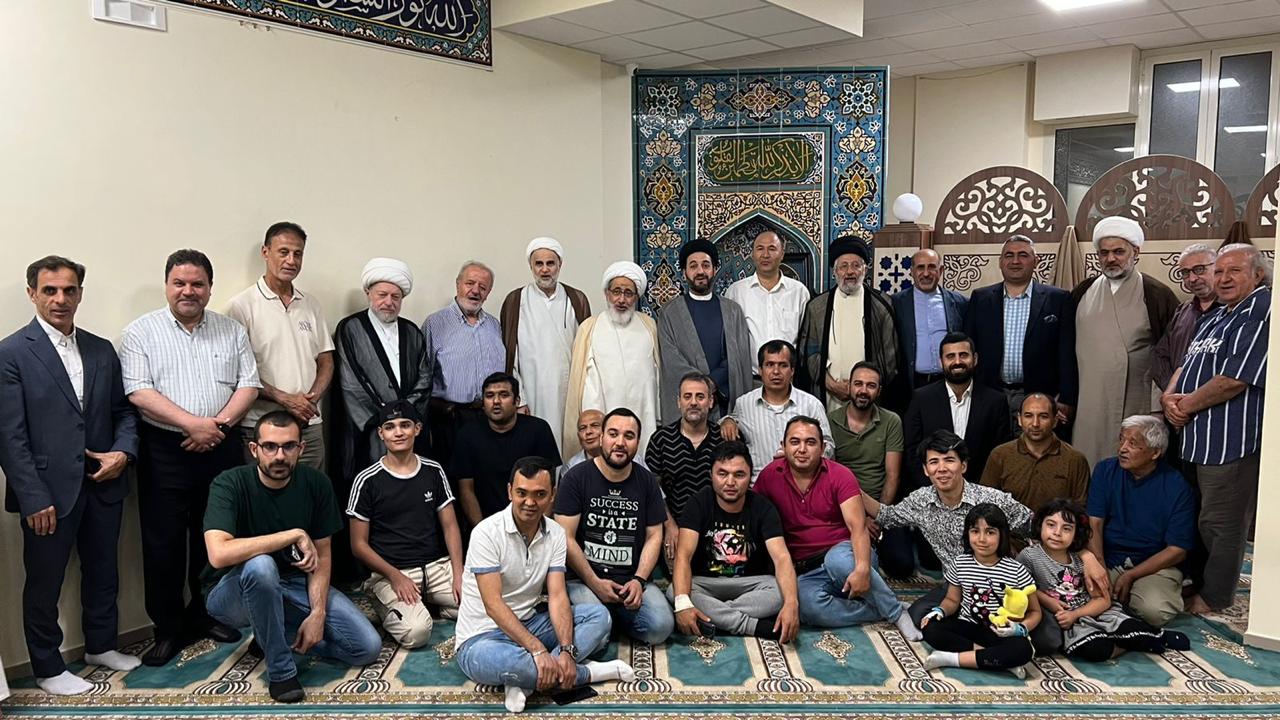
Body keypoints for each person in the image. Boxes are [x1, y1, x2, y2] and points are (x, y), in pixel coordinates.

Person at [0, 256, 141, 694]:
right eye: (50, 290)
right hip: (46, 492)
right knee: (45, 582)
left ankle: (101, 645)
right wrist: (33, 497)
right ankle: (47, 667)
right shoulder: (10, 353)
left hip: (103, 482)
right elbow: (9, 436)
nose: (60, 299)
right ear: (32, 294)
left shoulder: (101, 349)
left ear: (80, 293)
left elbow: (123, 413)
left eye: (69, 290)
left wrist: (123, 454)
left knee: (104, 570)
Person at [121, 249, 261, 665]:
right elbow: (138, 391)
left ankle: (207, 614)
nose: (188, 291)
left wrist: (215, 427)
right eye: (179, 283)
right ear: (167, 286)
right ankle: (168, 628)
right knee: (162, 543)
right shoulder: (140, 332)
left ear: (209, 288)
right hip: (165, 450)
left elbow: (249, 384)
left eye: (197, 284)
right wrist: (192, 425)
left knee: (214, 536)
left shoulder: (231, 330)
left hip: (221, 445)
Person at [203, 412, 382, 704]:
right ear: (254, 449)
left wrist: (317, 614)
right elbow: (219, 554)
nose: (279, 456)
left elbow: (322, 556)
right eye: (270, 446)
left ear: (301, 448)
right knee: (261, 565)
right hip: (232, 593)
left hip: (294, 584)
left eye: (288, 446)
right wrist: (293, 534)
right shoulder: (230, 483)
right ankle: (281, 672)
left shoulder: (316, 483)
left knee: (367, 647)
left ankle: (272, 635)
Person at [861, 430, 1108, 628]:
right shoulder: (920, 501)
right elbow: (886, 515)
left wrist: (1086, 555)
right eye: (934, 462)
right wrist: (849, 485)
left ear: (963, 465)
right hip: (957, 587)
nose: (942, 468)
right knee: (921, 617)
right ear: (926, 470)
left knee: (1047, 640)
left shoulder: (992, 500)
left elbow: (1041, 527)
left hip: (1004, 587)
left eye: (949, 460)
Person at [454, 457, 635, 714]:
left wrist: (566, 650)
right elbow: (493, 605)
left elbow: (558, 595)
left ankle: (527, 680)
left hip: (531, 623)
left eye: (539, 494)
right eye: (522, 493)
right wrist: (538, 650)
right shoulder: (486, 533)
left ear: (552, 495)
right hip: (481, 637)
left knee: (599, 616)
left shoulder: (556, 533)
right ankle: (587, 672)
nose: (530, 502)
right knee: (511, 662)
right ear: (510, 492)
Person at [1164, 244, 1269, 615]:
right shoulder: (1220, 314)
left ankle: (1216, 596)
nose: (1223, 279)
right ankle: (1199, 582)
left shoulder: (1261, 311)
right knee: (1199, 518)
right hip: (1196, 438)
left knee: (1221, 524)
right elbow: (1186, 363)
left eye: (1234, 271)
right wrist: (1169, 397)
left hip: (1228, 441)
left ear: (1257, 274)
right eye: (1220, 271)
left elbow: (1234, 379)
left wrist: (1184, 406)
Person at [754, 417, 920, 639]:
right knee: (805, 606)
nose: (802, 449)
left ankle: (895, 612)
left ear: (823, 448)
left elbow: (858, 527)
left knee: (837, 560)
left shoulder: (840, 475)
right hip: (807, 569)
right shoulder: (769, 475)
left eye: (810, 442)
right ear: (783, 446)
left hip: (848, 555)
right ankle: (878, 609)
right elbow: (753, 514)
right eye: (795, 442)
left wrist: (862, 568)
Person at [331, 257, 433, 584]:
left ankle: (406, 564)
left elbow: (424, 378)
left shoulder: (412, 332)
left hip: (405, 431)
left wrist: (404, 419)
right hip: (368, 433)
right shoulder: (350, 328)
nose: (388, 302)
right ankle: (366, 572)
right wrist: (387, 421)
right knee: (368, 497)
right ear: (369, 294)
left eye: (395, 296)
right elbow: (350, 382)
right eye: (382, 295)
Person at [347, 401, 463, 648]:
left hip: (436, 567)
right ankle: (386, 602)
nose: (398, 432)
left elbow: (450, 526)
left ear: (417, 429)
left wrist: (458, 572)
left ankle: (435, 606)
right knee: (416, 632)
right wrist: (395, 576)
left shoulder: (433, 470)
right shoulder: (367, 480)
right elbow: (358, 545)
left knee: (489, 604)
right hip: (392, 572)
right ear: (381, 433)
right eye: (390, 427)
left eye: (405, 425)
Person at [554, 409, 674, 646]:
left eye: (629, 436)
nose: (620, 442)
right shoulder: (575, 478)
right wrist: (594, 582)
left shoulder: (647, 481)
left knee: (660, 628)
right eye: (613, 434)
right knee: (597, 630)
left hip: (631, 580)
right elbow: (564, 537)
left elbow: (654, 536)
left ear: (637, 442)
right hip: (583, 580)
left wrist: (639, 580)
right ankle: (606, 620)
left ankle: (610, 620)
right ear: (601, 438)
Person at [1019, 499, 1189, 661]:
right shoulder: (1029, 556)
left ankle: (1157, 636)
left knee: (1132, 631)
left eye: (1067, 528)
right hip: (1072, 624)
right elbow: (1024, 588)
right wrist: (1050, 602)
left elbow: (1103, 600)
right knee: (1097, 650)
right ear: (1040, 525)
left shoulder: (1082, 560)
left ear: (1076, 533)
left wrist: (1076, 613)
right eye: (1051, 525)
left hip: (1094, 612)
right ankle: (1123, 643)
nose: (1057, 533)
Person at [1069, 217, 1178, 467]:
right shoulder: (1082, 292)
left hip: (1138, 398)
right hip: (1090, 400)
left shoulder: (1157, 294)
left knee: (1136, 461)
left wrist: (1158, 403)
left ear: (1135, 252)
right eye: (1104, 253)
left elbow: (1171, 353)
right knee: (1089, 460)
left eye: (1119, 252)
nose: (1111, 259)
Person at [226, 221, 334, 469]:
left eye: (298, 254)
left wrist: (309, 402)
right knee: (264, 491)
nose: (291, 261)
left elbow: (326, 360)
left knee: (310, 489)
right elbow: (239, 371)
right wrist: (285, 399)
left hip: (308, 428)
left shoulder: (311, 304)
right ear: (266, 252)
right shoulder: (241, 306)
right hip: (261, 427)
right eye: (283, 252)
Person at [670, 441, 799, 641]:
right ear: (711, 475)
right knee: (675, 591)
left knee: (782, 591)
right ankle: (751, 625)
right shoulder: (697, 504)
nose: (730, 482)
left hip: (750, 583)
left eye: (739, 475)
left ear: (750, 477)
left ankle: (710, 619)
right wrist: (682, 602)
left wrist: (791, 604)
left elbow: (781, 558)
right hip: (705, 583)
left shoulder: (763, 508)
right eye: (722, 474)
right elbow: (683, 556)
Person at [1087, 415, 1195, 627]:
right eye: (1122, 439)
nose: (1122, 449)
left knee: (1154, 611)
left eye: (1133, 443)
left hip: (1154, 565)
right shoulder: (1105, 470)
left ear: (1155, 453)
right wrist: (1099, 565)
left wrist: (1131, 576)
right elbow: (1094, 524)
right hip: (1108, 557)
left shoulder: (1177, 487)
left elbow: (1177, 550)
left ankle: (1133, 598)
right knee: (1077, 595)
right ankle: (1121, 602)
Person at [919, 504, 1039, 678]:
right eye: (975, 531)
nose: (982, 539)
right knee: (930, 628)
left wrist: (1020, 629)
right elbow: (952, 600)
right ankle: (997, 660)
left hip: (1000, 631)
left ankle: (949, 659)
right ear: (967, 534)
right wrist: (940, 611)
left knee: (1023, 650)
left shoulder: (1016, 570)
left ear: (1002, 535)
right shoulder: (960, 563)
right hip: (968, 626)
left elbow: (1035, 612)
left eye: (990, 532)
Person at [965, 235, 1075, 421]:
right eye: (1009, 255)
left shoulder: (1058, 299)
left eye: (1023, 255)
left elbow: (1067, 353)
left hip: (1040, 398)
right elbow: (969, 348)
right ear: (1000, 262)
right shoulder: (980, 299)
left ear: (1036, 261)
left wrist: (1066, 397)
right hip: (990, 395)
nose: (1015, 261)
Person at [499, 237, 591, 451]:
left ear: (560, 265)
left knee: (568, 446)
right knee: (534, 446)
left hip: (567, 391)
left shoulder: (576, 299)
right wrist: (519, 399)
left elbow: (587, 351)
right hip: (531, 390)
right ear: (531, 266)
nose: (545, 270)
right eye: (539, 264)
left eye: (550, 263)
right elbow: (510, 355)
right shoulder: (516, 300)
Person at [564, 262, 661, 456]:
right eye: (616, 292)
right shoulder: (590, 327)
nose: (621, 299)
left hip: (643, 413)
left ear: (636, 297)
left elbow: (657, 375)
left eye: (628, 293)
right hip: (604, 412)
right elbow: (583, 382)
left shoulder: (648, 326)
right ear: (606, 293)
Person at [827, 361, 913, 579]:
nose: (863, 390)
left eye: (871, 385)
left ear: (879, 391)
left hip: (881, 506)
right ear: (849, 387)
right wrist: (859, 519)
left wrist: (878, 518)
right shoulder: (830, 421)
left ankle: (874, 549)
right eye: (858, 384)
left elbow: (893, 475)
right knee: (839, 561)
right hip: (843, 507)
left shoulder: (891, 421)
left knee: (902, 565)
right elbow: (828, 477)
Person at [795, 234, 898, 409]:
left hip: (868, 397)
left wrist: (864, 388)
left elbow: (890, 357)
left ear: (865, 270)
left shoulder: (881, 305)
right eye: (843, 266)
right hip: (828, 394)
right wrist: (829, 383)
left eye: (856, 265)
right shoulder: (817, 307)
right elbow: (809, 351)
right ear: (834, 271)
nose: (850, 271)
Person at [423, 260, 505, 471]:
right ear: (458, 284)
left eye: (482, 287)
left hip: (490, 418)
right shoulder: (435, 323)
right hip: (451, 419)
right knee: (452, 477)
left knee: (488, 475)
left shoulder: (494, 325)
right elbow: (423, 375)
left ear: (488, 293)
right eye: (470, 283)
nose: (475, 291)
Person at [903, 332, 1011, 489]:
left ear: (975, 359)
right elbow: (912, 450)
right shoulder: (921, 398)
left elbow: (1000, 452)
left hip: (982, 490)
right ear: (941, 362)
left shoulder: (996, 401)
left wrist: (982, 491)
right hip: (932, 489)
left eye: (963, 355)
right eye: (950, 356)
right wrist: (933, 488)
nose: (957, 361)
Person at [658, 238, 752, 418]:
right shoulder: (669, 313)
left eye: (706, 265)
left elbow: (738, 356)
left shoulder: (733, 310)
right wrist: (702, 387)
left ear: (715, 269)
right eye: (693, 266)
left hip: (724, 402)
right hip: (688, 404)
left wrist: (714, 381)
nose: (700, 271)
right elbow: (671, 361)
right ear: (684, 272)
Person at [453, 372, 561, 526]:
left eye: (503, 395)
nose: (496, 401)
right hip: (487, 524)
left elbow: (550, 486)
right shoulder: (467, 434)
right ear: (483, 403)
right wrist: (482, 532)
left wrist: (539, 529)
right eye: (489, 396)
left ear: (516, 401)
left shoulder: (538, 429)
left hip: (532, 521)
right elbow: (466, 490)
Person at [721, 340, 832, 480]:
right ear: (760, 370)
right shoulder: (744, 404)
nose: (776, 372)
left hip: (802, 484)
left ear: (792, 370)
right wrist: (727, 420)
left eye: (783, 365)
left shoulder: (811, 405)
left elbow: (828, 446)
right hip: (758, 485)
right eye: (769, 365)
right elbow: (729, 422)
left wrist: (801, 459)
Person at [646, 372, 723, 567]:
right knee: (679, 580)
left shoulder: (723, 438)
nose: (693, 402)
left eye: (700, 396)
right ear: (678, 402)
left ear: (710, 401)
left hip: (718, 531)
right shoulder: (661, 439)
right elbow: (652, 491)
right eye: (687, 396)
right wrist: (669, 525)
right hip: (675, 530)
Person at [980, 393, 1090, 515]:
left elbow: (1081, 511)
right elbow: (985, 505)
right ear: (1019, 419)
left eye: (1043, 416)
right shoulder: (1000, 455)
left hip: (1057, 527)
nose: (1035, 424)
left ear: (1055, 421)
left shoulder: (1075, 460)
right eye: (1028, 416)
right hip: (1009, 527)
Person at [724, 229, 811, 379]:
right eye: (760, 249)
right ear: (752, 254)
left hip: (789, 380)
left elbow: (806, 339)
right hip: (749, 379)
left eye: (772, 248)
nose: (765, 255)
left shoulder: (799, 292)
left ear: (782, 254)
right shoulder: (736, 292)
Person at [892, 248, 967, 395]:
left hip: (950, 382)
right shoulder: (896, 303)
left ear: (941, 270)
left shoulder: (960, 303)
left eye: (932, 267)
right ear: (912, 271)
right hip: (910, 385)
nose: (926, 273)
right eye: (920, 267)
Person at [1150, 244, 1221, 391]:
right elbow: (1160, 355)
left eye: (1199, 269)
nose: (1192, 278)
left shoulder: (1234, 310)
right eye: (1185, 272)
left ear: (1218, 268)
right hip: (1176, 399)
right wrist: (1173, 390)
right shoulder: (1182, 311)